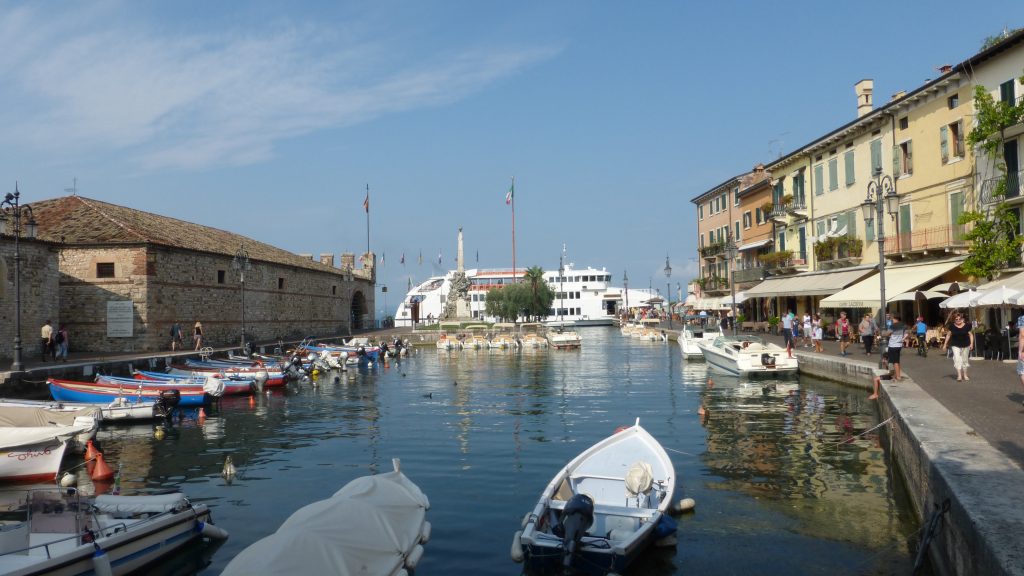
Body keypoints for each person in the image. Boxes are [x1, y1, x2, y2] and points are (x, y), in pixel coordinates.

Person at [941, 312, 974, 382]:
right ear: (954, 320)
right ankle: (959, 375)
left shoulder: (967, 325)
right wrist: (945, 344)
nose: (958, 320)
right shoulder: (952, 326)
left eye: (960, 319)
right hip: (955, 344)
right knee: (957, 358)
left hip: (966, 344)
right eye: (956, 319)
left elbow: (971, 335)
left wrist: (971, 344)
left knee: (965, 360)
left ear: (962, 319)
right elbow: (948, 335)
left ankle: (965, 374)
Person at [885, 314, 906, 381]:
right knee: (897, 361)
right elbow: (907, 333)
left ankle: (898, 376)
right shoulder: (903, 325)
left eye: (892, 319)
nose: (891, 320)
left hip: (893, 345)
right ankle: (897, 374)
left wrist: (885, 333)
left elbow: (887, 334)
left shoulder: (893, 326)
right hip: (899, 345)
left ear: (895, 319)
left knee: (894, 362)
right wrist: (902, 338)